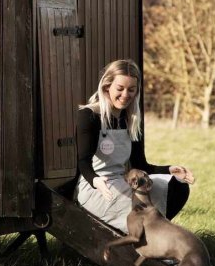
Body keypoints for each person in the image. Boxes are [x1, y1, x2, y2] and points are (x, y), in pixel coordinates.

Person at [75, 59, 194, 233]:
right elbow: (83, 161)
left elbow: (141, 165)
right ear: (107, 86)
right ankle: (149, 238)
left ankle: (153, 238)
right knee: (145, 207)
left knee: (177, 186)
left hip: (123, 181)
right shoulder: (89, 115)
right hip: (97, 187)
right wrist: (95, 180)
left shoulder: (131, 119)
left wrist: (170, 170)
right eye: (120, 88)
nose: (125, 95)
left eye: (131, 90)